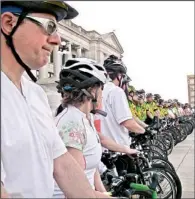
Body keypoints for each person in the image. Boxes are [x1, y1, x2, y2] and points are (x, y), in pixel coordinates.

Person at [1, 1, 99, 198]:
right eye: (49, 27)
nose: (57, 40)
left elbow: (61, 163)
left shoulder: (36, 94)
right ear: (9, 23)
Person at [53, 58, 138, 198]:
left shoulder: (85, 117)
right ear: (92, 91)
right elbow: (74, 185)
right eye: (101, 88)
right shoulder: (72, 124)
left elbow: (92, 163)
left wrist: (125, 149)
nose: (102, 95)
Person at [100, 55, 145, 174]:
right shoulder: (116, 91)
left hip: (103, 150)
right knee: (128, 188)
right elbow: (126, 121)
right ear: (119, 76)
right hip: (119, 150)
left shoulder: (100, 90)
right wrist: (144, 131)